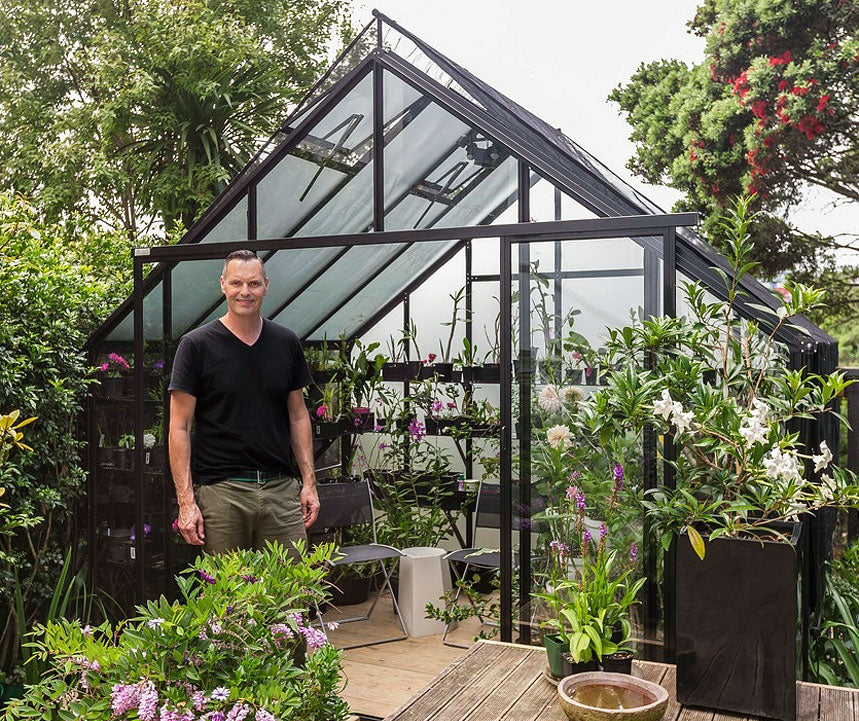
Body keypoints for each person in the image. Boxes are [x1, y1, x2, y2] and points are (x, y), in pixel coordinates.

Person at [168, 249, 319, 556]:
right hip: (222, 494)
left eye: (253, 284)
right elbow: (179, 427)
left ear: (266, 285)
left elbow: (298, 416)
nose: (245, 292)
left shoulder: (286, 342)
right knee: (226, 599)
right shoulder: (196, 346)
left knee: (291, 594)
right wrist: (186, 503)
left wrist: (309, 483)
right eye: (237, 283)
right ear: (223, 284)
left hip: (280, 491)